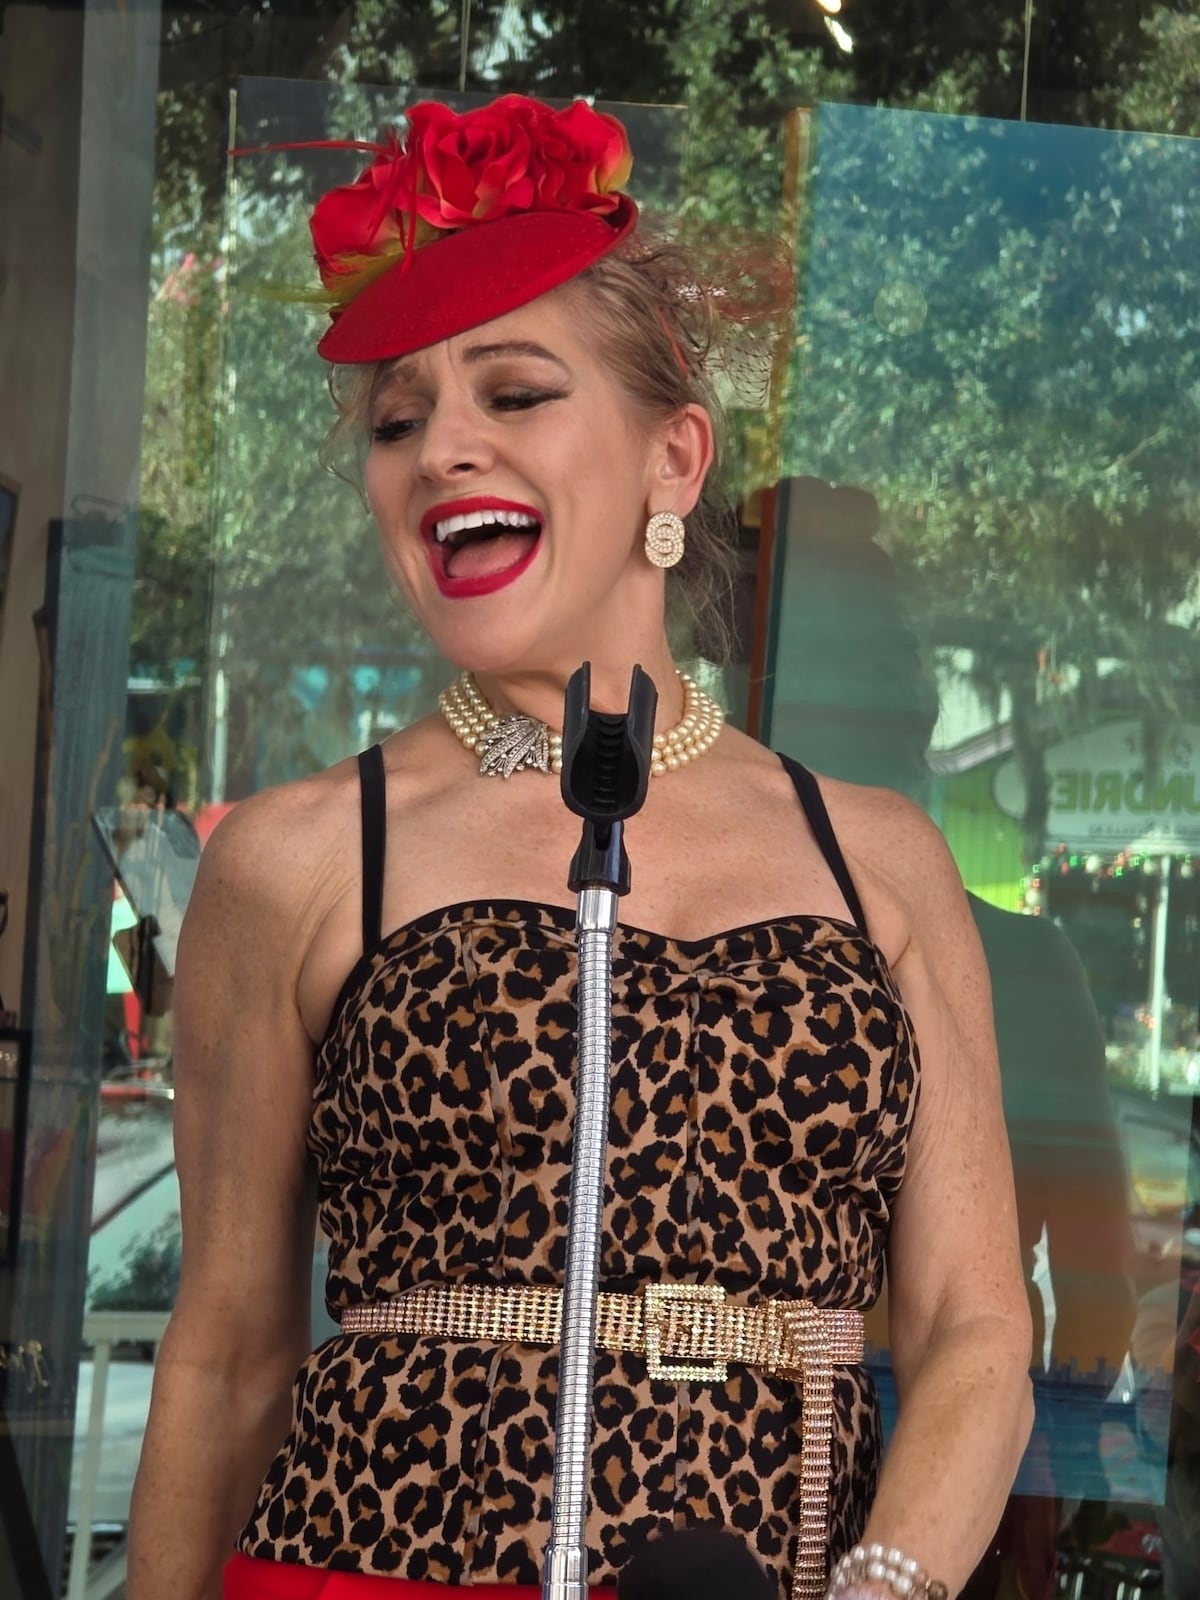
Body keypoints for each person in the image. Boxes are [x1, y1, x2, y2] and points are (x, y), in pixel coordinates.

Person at [127, 94, 1033, 1600]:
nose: (441, 449)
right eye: (397, 420)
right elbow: (224, 1355)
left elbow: (976, 1333)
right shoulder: (297, 859)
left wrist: (885, 1588)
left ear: (674, 460)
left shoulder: (879, 861)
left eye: (515, 393)